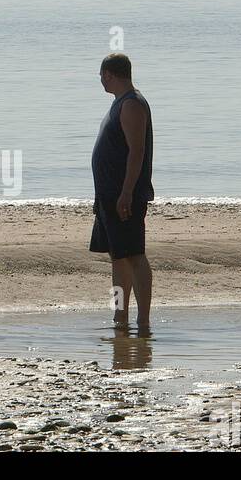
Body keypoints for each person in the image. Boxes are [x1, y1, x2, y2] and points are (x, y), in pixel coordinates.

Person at [90, 53, 154, 327]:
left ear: (109, 74)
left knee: (135, 255)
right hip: (109, 196)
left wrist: (127, 191)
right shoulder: (119, 103)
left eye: (101, 76)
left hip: (123, 196)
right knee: (118, 258)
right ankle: (120, 314)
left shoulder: (132, 105)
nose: (100, 81)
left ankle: (143, 319)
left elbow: (137, 151)